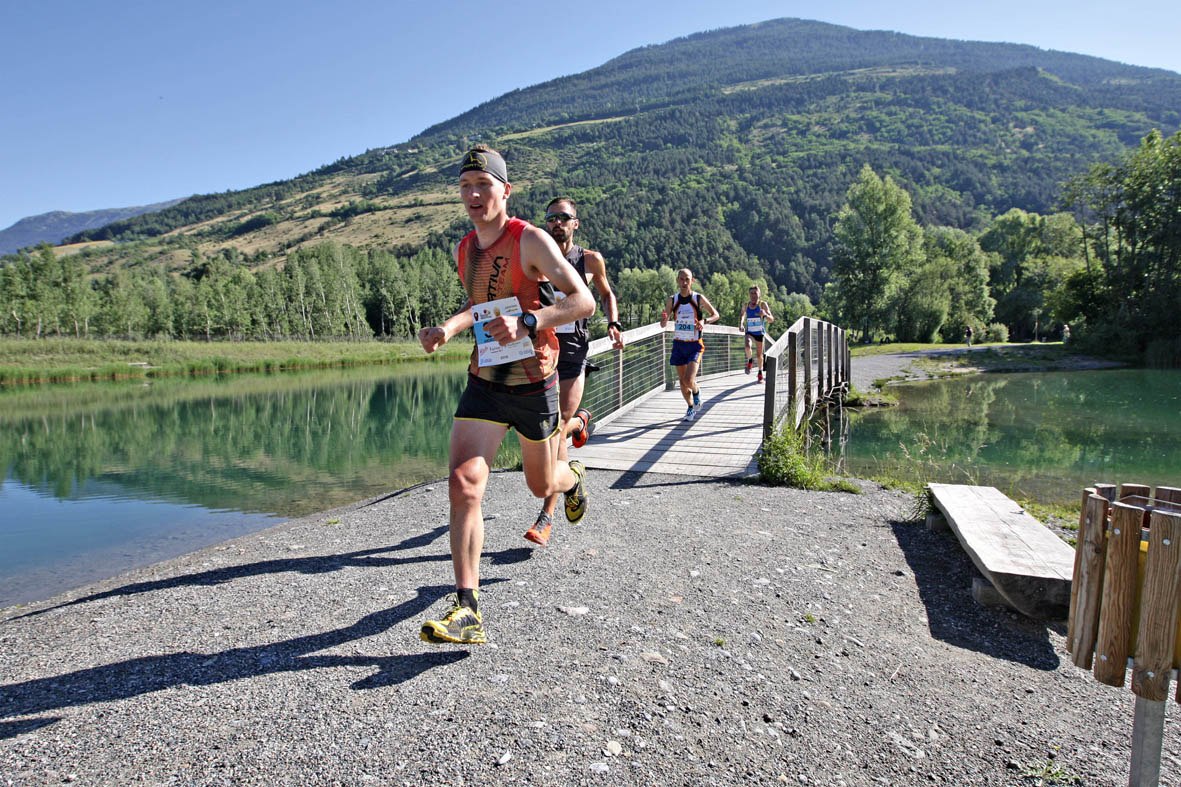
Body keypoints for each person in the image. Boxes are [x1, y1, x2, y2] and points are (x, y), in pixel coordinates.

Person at [417, 145, 595, 645]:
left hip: (533, 383)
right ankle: (467, 608)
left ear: (505, 190)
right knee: (463, 484)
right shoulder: (463, 250)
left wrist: (531, 320)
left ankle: (572, 474)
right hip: (485, 383)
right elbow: (478, 307)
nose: (473, 195)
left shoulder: (531, 240)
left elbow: (581, 300)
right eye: (465, 186)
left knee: (543, 485)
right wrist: (448, 330)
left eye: (483, 185)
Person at [524, 197, 624, 548]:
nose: (556, 223)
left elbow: (607, 294)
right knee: (554, 429)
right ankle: (580, 429)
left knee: (554, 431)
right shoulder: (537, 257)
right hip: (541, 353)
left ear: (575, 223)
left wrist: (612, 323)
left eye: (563, 218)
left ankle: (546, 516)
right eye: (550, 218)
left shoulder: (590, 259)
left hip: (573, 353)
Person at [660, 268, 719, 421]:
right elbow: (663, 324)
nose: (684, 282)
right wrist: (664, 320)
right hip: (679, 345)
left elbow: (716, 315)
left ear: (692, 280)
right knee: (681, 381)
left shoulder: (698, 298)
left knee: (688, 380)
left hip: (694, 345)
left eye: (687, 279)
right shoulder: (672, 300)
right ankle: (690, 407)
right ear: (677, 281)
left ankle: (697, 392)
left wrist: (703, 321)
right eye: (681, 279)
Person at [741, 285, 775, 384]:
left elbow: (771, 319)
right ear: (749, 295)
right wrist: (741, 324)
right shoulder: (746, 305)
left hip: (759, 333)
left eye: (755, 293)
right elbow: (742, 315)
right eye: (751, 293)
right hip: (749, 331)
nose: (753, 295)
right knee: (747, 346)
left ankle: (760, 373)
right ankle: (750, 361)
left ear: (759, 294)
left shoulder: (762, 304)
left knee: (759, 355)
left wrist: (765, 314)